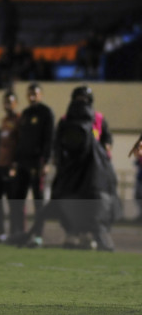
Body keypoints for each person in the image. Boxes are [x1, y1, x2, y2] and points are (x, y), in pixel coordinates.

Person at [33, 87, 118, 250]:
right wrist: (57, 160)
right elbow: (57, 142)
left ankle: (89, 234)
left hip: (91, 171)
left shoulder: (98, 118)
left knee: (92, 202)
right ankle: (71, 233)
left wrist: (106, 146)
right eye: (78, 98)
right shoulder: (66, 120)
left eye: (84, 98)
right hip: (71, 170)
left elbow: (106, 137)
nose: (81, 102)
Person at [7, 82, 54, 245]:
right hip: (22, 163)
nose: (32, 96)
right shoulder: (25, 114)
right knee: (18, 199)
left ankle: (38, 236)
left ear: (40, 94)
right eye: (30, 93)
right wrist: (15, 162)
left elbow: (49, 139)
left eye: (35, 93)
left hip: (37, 162)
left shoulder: (46, 113)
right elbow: (20, 140)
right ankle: (20, 233)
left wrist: (46, 161)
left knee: (38, 201)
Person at [0, 90, 19, 243]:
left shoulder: (19, 120)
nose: (8, 104)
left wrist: (15, 164)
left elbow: (19, 144)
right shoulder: (3, 121)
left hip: (10, 166)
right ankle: (1, 233)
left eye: (11, 101)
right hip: (0, 165)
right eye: (6, 101)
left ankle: (14, 233)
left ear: (16, 103)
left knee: (12, 201)